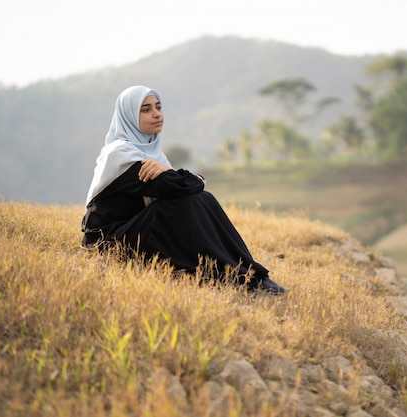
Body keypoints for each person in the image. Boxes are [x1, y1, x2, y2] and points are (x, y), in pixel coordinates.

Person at [81, 85, 286, 294]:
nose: (156, 114)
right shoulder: (120, 154)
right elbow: (173, 186)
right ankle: (242, 278)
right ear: (129, 117)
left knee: (204, 199)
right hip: (109, 243)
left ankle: (250, 273)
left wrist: (182, 176)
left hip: (137, 230)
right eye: (145, 109)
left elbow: (180, 184)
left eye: (158, 107)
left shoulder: (154, 156)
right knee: (184, 202)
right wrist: (191, 178)